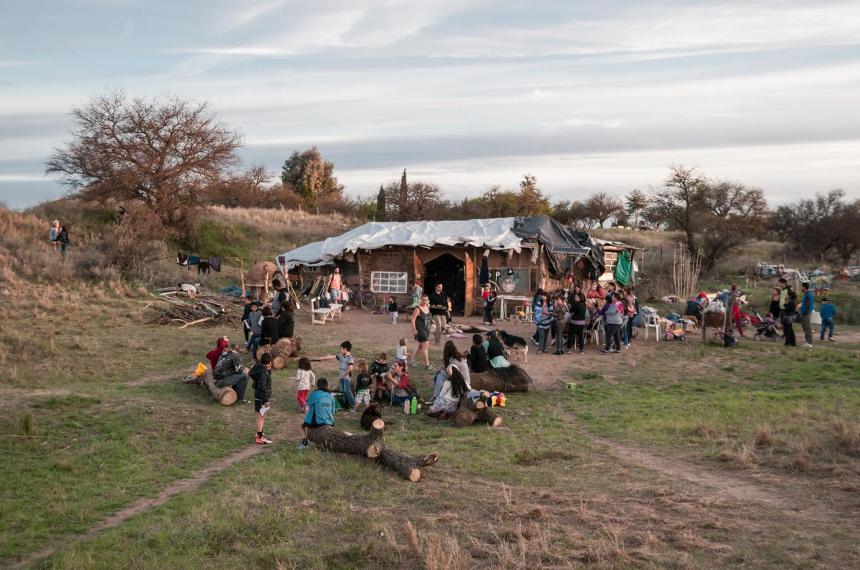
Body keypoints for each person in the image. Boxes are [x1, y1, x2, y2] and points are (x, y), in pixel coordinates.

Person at [299, 377, 336, 449]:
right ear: (327, 386)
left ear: (317, 386)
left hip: (319, 422)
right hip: (330, 422)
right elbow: (333, 411)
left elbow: (307, 403)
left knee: (302, 426)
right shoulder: (331, 396)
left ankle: (305, 443)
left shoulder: (316, 394)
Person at [250, 352, 273, 445]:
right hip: (261, 398)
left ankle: (259, 433)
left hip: (259, 397)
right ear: (270, 362)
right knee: (261, 417)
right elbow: (261, 387)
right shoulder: (263, 372)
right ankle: (259, 438)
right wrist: (266, 400)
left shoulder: (258, 367)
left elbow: (251, 373)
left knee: (261, 416)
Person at [411, 294, 433, 370]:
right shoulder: (417, 309)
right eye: (423, 300)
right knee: (425, 345)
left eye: (426, 300)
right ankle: (427, 364)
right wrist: (414, 329)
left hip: (426, 329)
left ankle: (412, 361)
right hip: (420, 330)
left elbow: (429, 317)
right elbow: (413, 319)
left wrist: (432, 323)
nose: (424, 301)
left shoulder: (427, 307)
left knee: (420, 347)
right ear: (420, 300)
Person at [336, 341, 356, 412]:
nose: (340, 350)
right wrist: (320, 358)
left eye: (341, 349)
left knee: (347, 391)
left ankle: (354, 405)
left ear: (345, 349)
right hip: (341, 377)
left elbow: (350, 369)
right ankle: (346, 404)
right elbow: (332, 356)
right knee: (342, 391)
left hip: (346, 378)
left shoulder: (350, 358)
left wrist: (343, 375)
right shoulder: (341, 355)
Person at [568, 287, 587, 353]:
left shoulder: (576, 304)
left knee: (570, 335)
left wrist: (571, 308)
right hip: (582, 323)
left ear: (579, 298)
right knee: (580, 336)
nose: (575, 298)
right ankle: (581, 350)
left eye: (576, 297)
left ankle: (568, 349)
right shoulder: (584, 304)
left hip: (575, 322)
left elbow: (570, 311)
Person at [799, 282, 815, 347]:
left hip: (806, 313)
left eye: (802, 286)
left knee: (807, 327)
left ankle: (809, 343)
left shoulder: (808, 295)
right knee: (805, 327)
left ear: (804, 287)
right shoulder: (807, 294)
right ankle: (807, 341)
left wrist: (805, 313)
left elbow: (808, 305)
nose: (801, 288)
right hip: (805, 313)